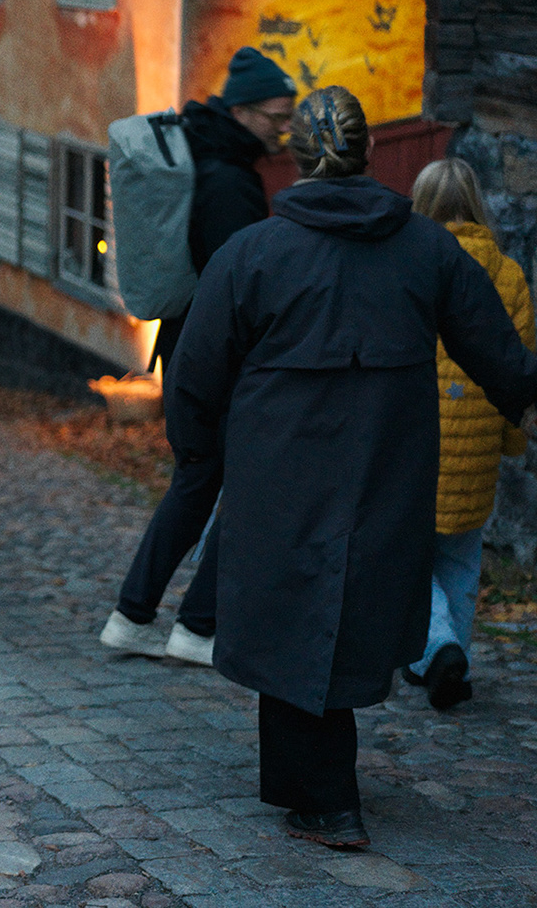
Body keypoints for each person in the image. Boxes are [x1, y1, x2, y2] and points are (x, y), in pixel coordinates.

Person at [166, 87, 537, 850]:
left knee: (302, 619)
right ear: (367, 152)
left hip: (282, 476)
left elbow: (195, 374)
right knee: (317, 617)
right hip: (384, 473)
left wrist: (200, 450)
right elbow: (501, 355)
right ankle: (307, 789)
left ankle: (329, 799)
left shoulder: (254, 253)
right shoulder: (426, 249)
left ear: (296, 156)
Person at [101, 45, 296, 664]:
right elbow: (237, 287)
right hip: (217, 362)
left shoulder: (206, 155)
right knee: (246, 489)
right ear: (241, 111)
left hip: (187, 350)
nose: (283, 128)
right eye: (275, 116)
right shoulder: (229, 181)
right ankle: (195, 625)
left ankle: (134, 615)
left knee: (195, 485)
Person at [403, 158, 533, 709]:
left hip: (417, 442)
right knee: (460, 559)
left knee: (408, 558)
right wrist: (511, 443)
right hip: (477, 446)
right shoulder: (509, 274)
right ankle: (450, 663)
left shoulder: (411, 266)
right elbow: (517, 370)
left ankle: (437, 649)